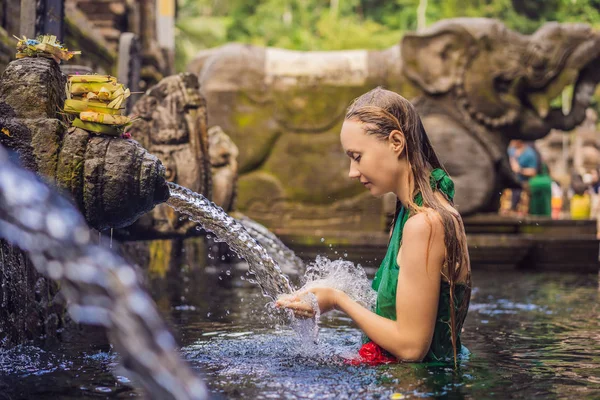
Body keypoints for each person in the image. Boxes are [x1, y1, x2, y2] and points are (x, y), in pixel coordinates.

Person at [276, 87, 471, 366]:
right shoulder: (412, 212)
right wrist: (326, 292)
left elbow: (411, 347)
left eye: (357, 157)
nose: (352, 172)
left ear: (396, 142)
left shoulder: (424, 224)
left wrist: (339, 299)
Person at [508, 140, 538, 213]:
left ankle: (515, 211)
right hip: (509, 181)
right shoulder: (510, 150)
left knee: (518, 192)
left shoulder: (530, 154)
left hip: (523, 182)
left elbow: (533, 171)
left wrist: (520, 170)